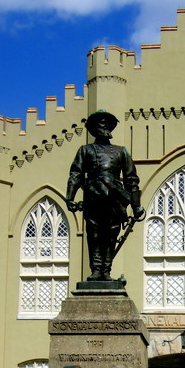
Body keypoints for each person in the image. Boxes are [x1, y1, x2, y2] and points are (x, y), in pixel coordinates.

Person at [65, 110, 145, 281]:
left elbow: (131, 180)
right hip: (93, 198)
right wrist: (69, 198)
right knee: (93, 234)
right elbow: (76, 175)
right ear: (94, 129)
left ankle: (106, 270)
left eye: (106, 123)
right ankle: (95, 269)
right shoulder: (85, 150)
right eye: (100, 123)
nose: (103, 125)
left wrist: (136, 206)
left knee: (111, 235)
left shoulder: (121, 152)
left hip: (115, 200)